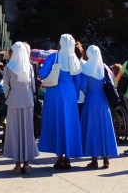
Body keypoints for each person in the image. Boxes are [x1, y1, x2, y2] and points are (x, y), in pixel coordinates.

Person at [38, 33, 83, 169]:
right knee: (69, 123)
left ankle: (59, 157)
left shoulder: (54, 57)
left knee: (56, 122)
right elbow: (78, 80)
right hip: (69, 93)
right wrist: (75, 96)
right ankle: (68, 157)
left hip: (55, 93)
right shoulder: (74, 59)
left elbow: (42, 74)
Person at [79, 44, 118, 170]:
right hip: (103, 100)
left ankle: (94, 160)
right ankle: (106, 159)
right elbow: (111, 83)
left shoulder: (86, 68)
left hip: (90, 100)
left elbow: (83, 87)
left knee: (91, 128)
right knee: (104, 128)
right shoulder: (104, 67)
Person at [3, 41, 37, 173]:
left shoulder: (9, 66)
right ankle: (27, 164)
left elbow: (6, 86)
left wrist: (8, 96)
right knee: (28, 131)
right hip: (28, 100)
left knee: (15, 131)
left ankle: (17, 163)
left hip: (13, 101)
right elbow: (33, 85)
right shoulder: (28, 66)